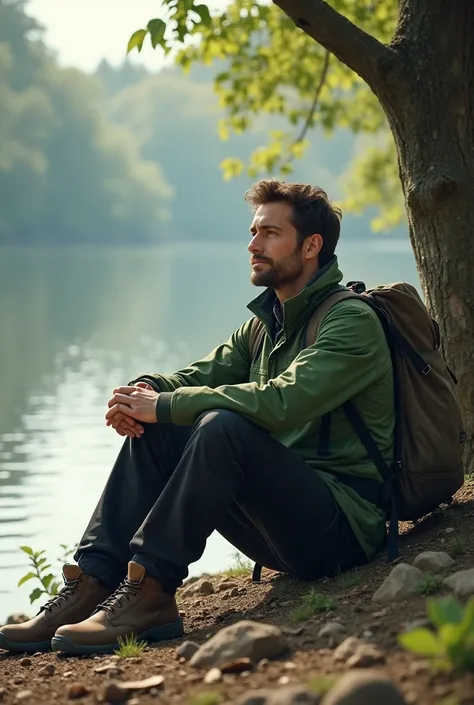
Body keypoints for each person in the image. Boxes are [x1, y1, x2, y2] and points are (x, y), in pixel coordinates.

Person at [0, 180, 394, 656]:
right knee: (167, 425)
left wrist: (165, 405)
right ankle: (92, 586)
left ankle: (151, 594)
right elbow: (197, 375)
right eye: (253, 232)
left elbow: (282, 401)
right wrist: (143, 393)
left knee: (220, 426)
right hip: (280, 529)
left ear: (312, 246)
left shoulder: (349, 321)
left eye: (270, 233)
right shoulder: (266, 324)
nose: (252, 244)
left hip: (341, 530)